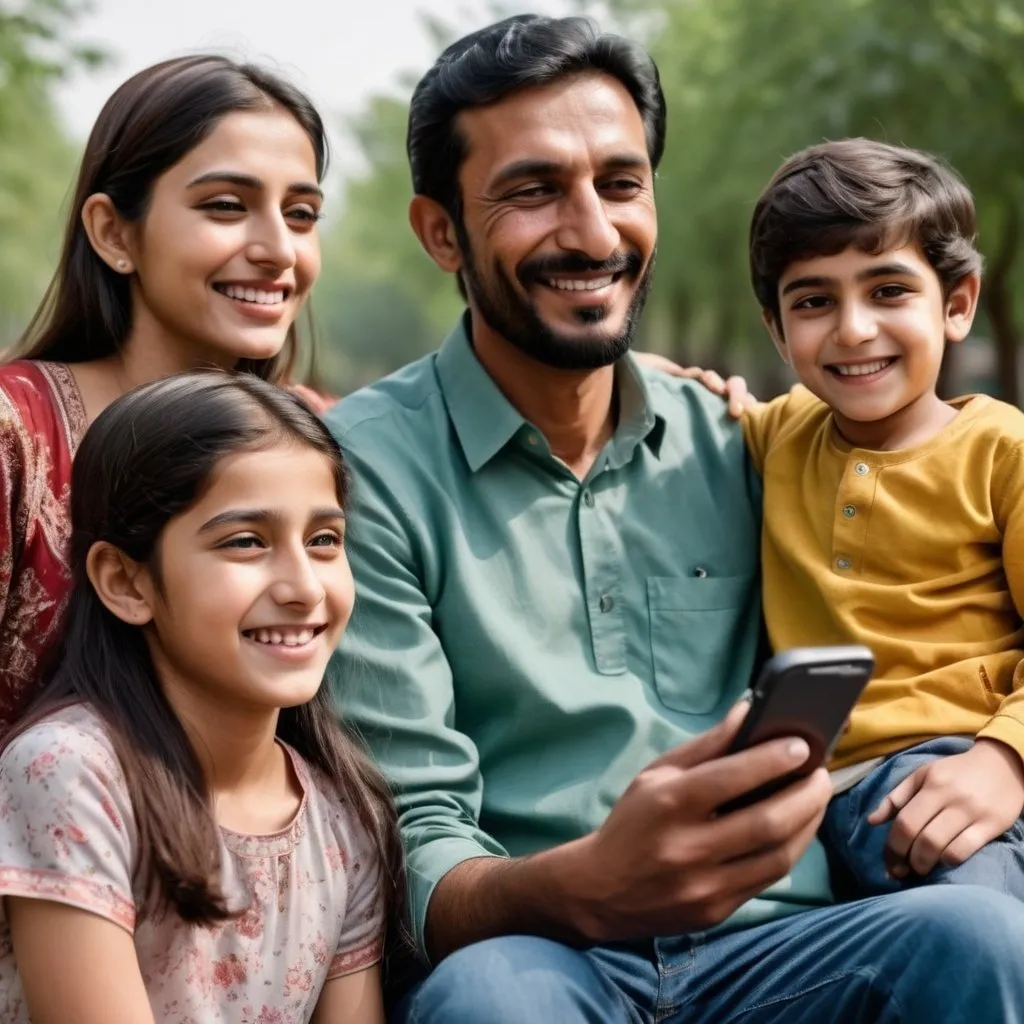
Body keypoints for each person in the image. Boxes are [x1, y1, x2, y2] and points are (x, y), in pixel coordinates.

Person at [325, 14, 1024, 1024]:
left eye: (619, 183)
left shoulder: (743, 442)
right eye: (532, 191)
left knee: (982, 940)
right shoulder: (363, 471)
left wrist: (999, 754)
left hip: (787, 941)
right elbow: (415, 835)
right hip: (540, 951)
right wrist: (586, 882)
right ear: (440, 231)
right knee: (491, 1005)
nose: (594, 233)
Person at [0, 371, 401, 1023]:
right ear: (125, 581)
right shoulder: (71, 774)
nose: (303, 587)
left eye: (324, 540)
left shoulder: (343, 816)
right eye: (246, 541)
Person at [0, 54, 327, 726]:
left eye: (300, 214)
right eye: (227, 206)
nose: (278, 249)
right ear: (114, 232)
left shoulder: (316, 433)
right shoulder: (15, 435)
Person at [743, 138, 1024, 898]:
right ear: (776, 328)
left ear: (958, 304)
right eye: (813, 302)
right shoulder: (776, 434)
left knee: (985, 917)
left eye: (889, 291)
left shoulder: (1003, 452)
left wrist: (1006, 759)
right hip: (842, 795)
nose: (854, 329)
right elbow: (691, 404)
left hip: (972, 765)